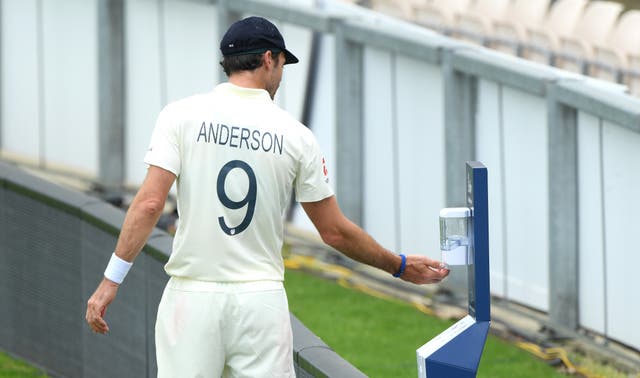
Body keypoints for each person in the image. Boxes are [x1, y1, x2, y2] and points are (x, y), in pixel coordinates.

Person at [86, 16, 450, 377]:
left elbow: (150, 204)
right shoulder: (297, 137)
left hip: (191, 298)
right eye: (282, 64)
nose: (281, 75)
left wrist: (110, 281)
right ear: (267, 59)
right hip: (260, 303)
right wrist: (398, 266)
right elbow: (334, 232)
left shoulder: (179, 116)